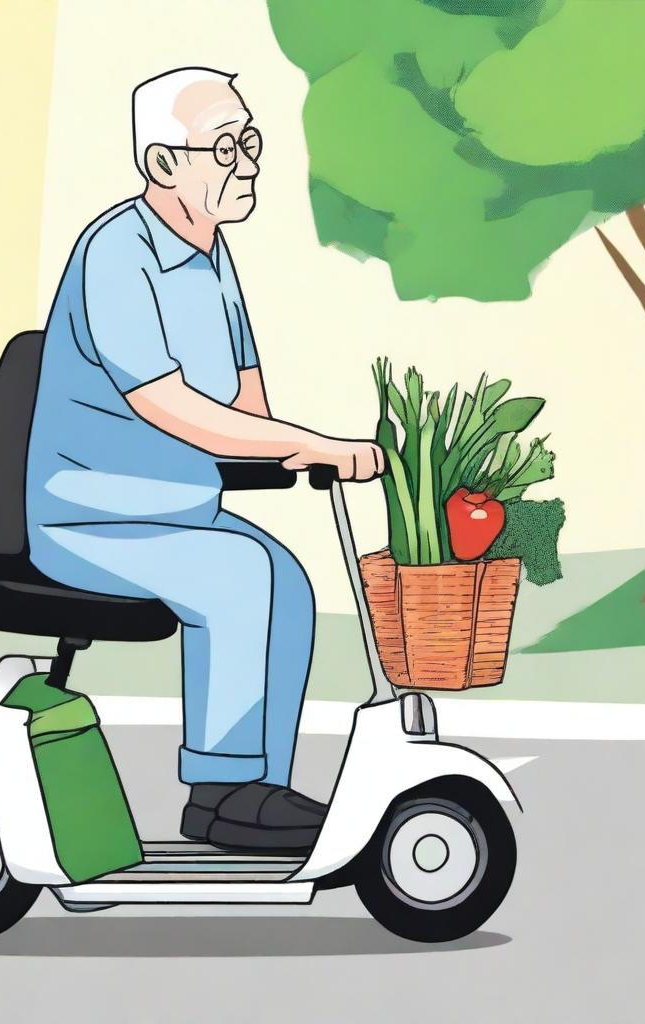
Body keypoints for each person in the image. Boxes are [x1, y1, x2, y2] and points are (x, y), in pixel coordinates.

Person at [25, 67, 383, 852]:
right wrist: (316, 445)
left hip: (178, 512)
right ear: (162, 165)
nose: (247, 161)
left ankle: (253, 790)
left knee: (284, 580)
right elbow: (173, 407)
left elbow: (246, 403)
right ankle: (223, 785)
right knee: (236, 577)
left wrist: (298, 451)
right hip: (92, 513)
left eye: (249, 142)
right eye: (224, 147)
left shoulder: (214, 256)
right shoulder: (116, 254)